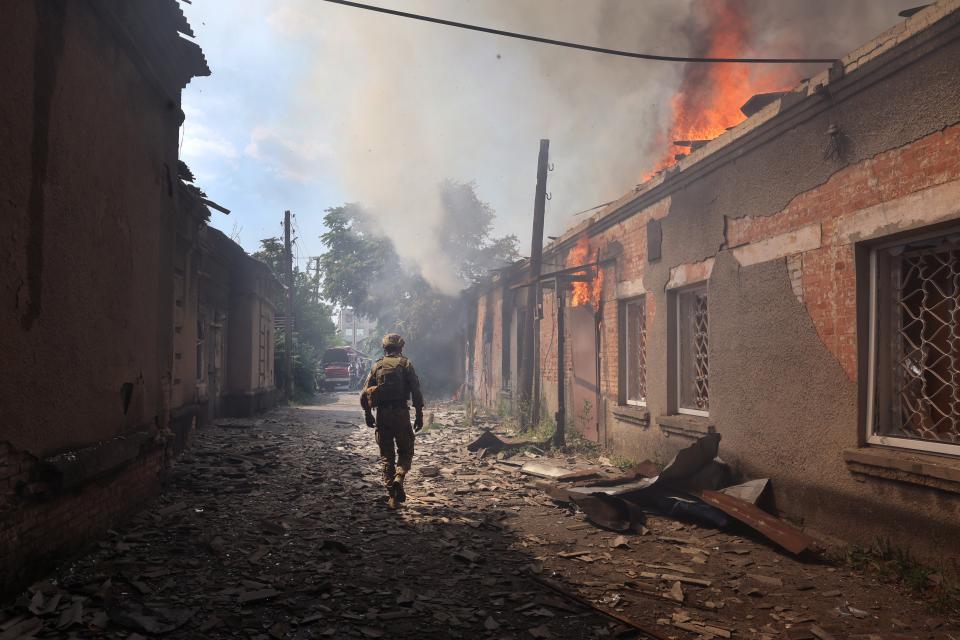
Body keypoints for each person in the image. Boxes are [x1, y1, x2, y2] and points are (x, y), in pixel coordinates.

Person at [360, 333, 424, 509]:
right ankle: (400, 476)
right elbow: (416, 392)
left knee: (386, 456)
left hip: (382, 415)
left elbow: (364, 394)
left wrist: (368, 414)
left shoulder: (377, 366)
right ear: (401, 347)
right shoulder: (406, 364)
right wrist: (419, 414)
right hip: (401, 413)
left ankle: (393, 498)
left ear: (384, 347)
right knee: (406, 449)